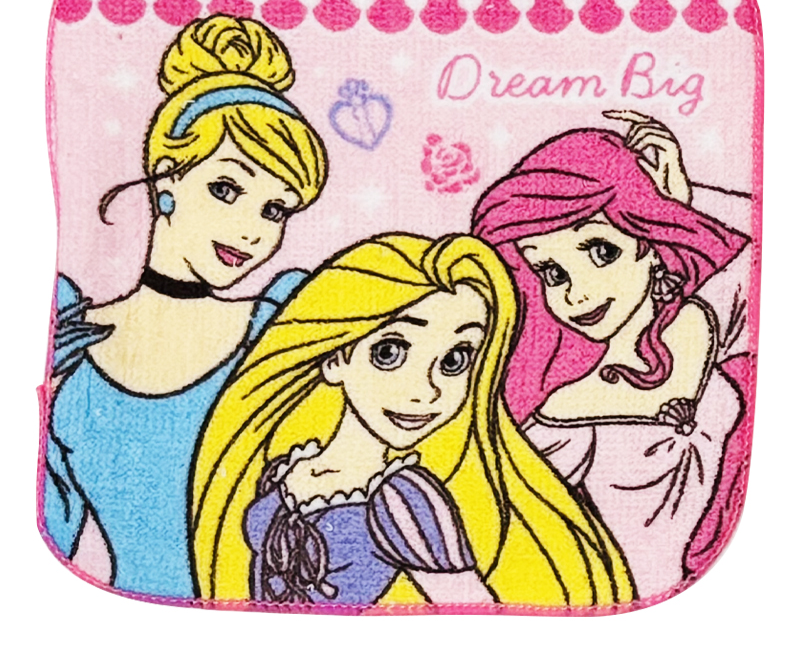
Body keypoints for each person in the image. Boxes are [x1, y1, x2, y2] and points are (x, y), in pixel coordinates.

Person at [44, 15, 328, 598]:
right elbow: (54, 528)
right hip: (125, 616)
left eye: (275, 210)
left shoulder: (280, 323)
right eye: (226, 190)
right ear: (165, 180)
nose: (251, 231)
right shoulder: (74, 343)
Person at [192, 234, 634, 608]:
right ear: (337, 357)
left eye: (456, 361)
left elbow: (470, 612)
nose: (426, 390)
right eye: (390, 352)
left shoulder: (408, 501)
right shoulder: (287, 466)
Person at [471, 113, 750, 599]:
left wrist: (682, 198)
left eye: (601, 252)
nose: (577, 293)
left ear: (649, 238)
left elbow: (770, 254)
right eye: (552, 273)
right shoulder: (561, 416)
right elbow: (501, 527)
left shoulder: (704, 316)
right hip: (633, 599)